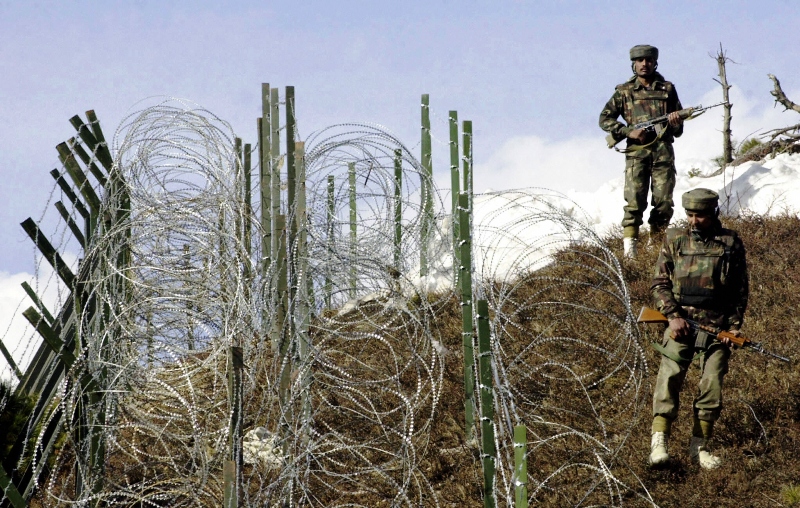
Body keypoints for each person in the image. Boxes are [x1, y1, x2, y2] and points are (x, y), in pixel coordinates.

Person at [648, 188, 749, 469]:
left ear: (714, 213)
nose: (694, 221)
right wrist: (672, 316)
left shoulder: (730, 242)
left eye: (700, 215)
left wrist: (734, 327)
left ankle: (700, 447)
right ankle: (659, 443)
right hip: (681, 324)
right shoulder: (674, 240)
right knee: (668, 379)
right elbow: (659, 283)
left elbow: (740, 290)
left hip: (717, 329)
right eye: (690, 215)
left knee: (712, 385)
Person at [599, 44, 685, 258]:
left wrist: (675, 122)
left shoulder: (667, 89)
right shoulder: (624, 91)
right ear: (634, 64)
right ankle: (630, 250)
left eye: (648, 60)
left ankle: (656, 246)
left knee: (664, 202)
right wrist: (629, 132)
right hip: (637, 154)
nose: (644, 64)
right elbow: (605, 119)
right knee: (635, 201)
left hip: (663, 152)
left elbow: (679, 130)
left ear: (655, 62)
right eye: (640, 61)